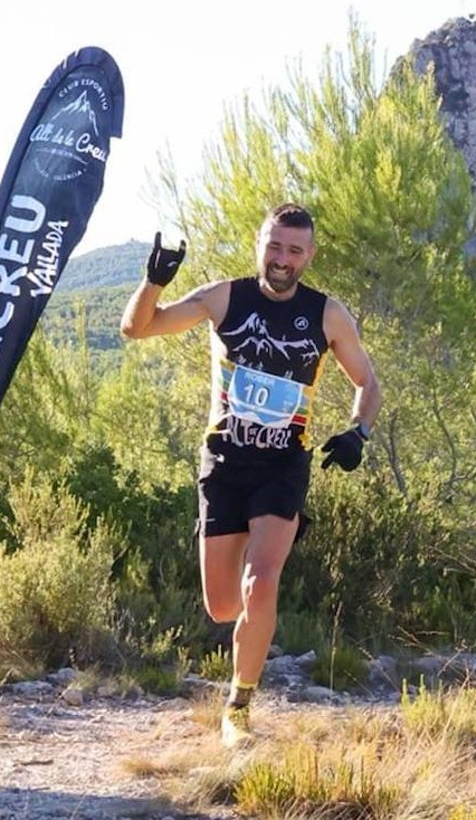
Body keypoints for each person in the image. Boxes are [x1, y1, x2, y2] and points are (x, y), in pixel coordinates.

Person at [119, 203, 381, 747]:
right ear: (260, 243)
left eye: (294, 250)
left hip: (283, 464)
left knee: (262, 580)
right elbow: (137, 328)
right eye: (274, 246)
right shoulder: (225, 297)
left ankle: (238, 706)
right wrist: (153, 281)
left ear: (308, 255)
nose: (282, 259)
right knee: (223, 604)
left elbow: (368, 382)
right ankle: (250, 631)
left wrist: (359, 432)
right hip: (225, 463)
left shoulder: (327, 315)